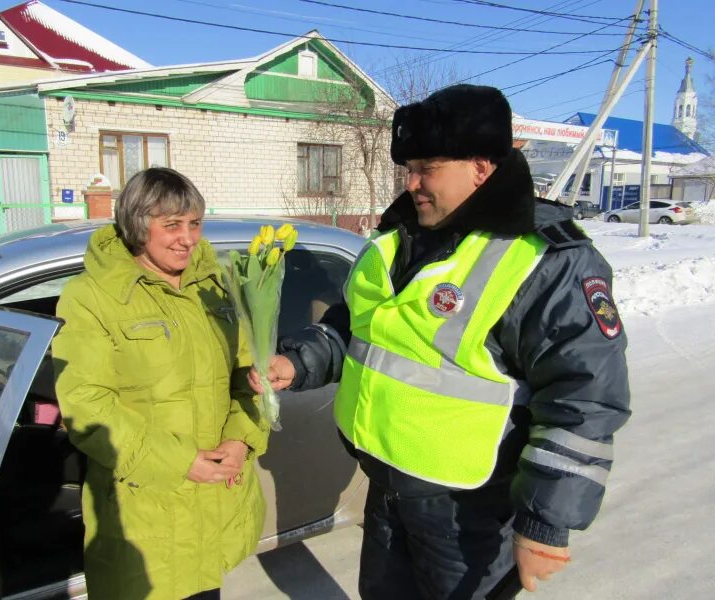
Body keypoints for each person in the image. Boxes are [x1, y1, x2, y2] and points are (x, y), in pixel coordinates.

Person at [251, 84, 630, 599]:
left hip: (468, 512)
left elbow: (584, 397)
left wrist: (545, 522)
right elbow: (362, 327)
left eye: (427, 168)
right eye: (408, 168)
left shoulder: (546, 258)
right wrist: (300, 361)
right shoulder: (401, 237)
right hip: (387, 490)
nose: (411, 184)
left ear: (481, 166)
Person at [53, 167, 269, 600]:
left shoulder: (213, 287)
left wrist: (241, 439)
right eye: (172, 225)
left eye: (194, 224)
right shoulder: (92, 296)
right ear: (138, 225)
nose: (188, 238)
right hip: (146, 518)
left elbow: (247, 378)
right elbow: (86, 404)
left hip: (212, 507)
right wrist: (177, 462)